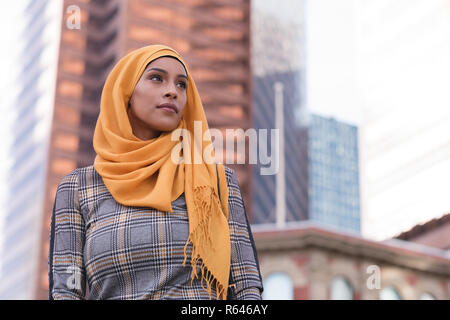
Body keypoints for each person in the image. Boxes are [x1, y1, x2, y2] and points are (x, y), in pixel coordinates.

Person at [48, 44, 263, 300]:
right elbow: (66, 291)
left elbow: (247, 286)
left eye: (182, 84)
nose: (172, 91)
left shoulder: (215, 181)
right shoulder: (78, 188)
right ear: (125, 91)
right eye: (156, 78)